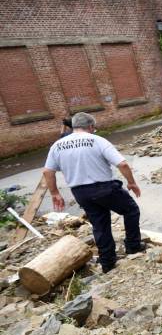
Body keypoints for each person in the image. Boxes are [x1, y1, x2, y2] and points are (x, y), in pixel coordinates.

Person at [42, 112, 144, 273]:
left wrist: (55, 193)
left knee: (100, 224)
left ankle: (108, 263)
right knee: (131, 210)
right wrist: (131, 182)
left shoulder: (58, 145)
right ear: (90, 126)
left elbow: (48, 172)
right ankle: (133, 247)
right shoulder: (97, 140)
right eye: (93, 128)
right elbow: (122, 164)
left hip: (80, 192)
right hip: (104, 188)